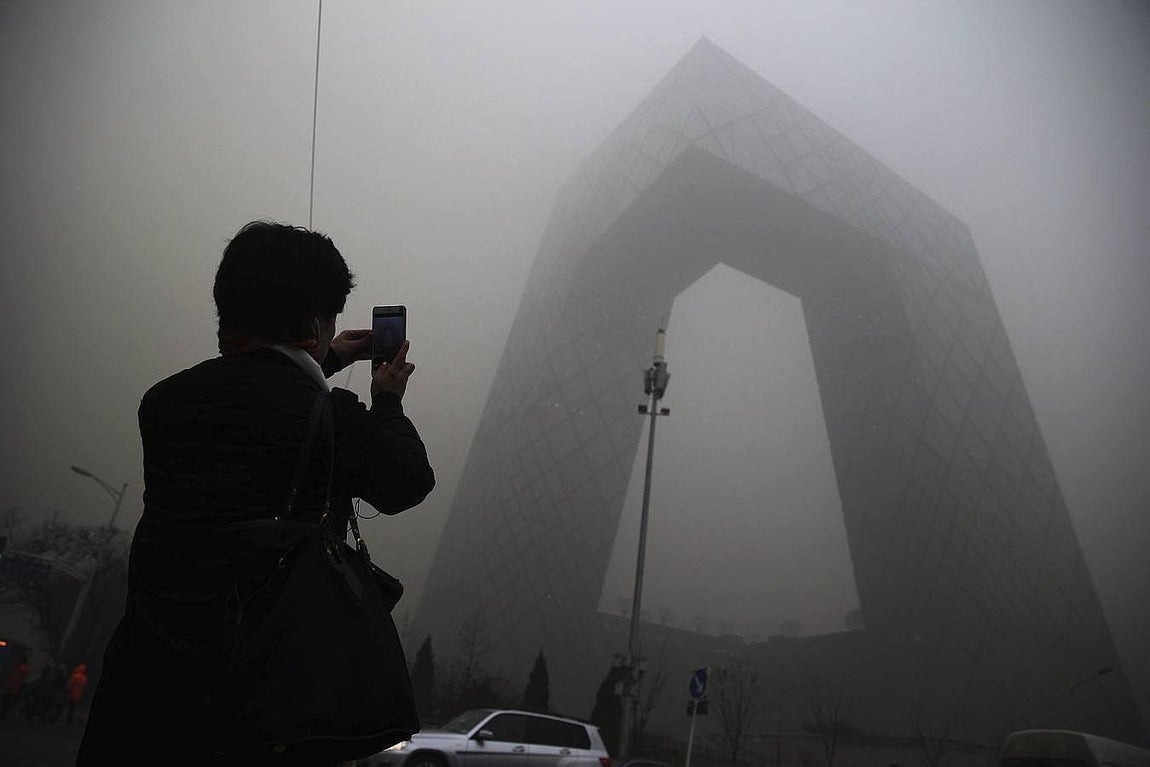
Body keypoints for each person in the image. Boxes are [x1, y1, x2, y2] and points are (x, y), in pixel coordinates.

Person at [77, 222, 435, 764]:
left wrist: (324, 358)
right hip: (257, 706)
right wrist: (386, 400)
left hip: (143, 694)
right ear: (316, 320)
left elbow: (254, 399)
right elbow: (408, 480)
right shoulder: (331, 419)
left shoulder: (167, 401)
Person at [0, 654, 29, 720]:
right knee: (8, 701)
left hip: (13, 688)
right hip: (15, 688)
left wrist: (7, 685)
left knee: (6, 701)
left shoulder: (20, 669)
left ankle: (3, 714)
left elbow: (14, 678)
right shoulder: (24, 669)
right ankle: (5, 713)